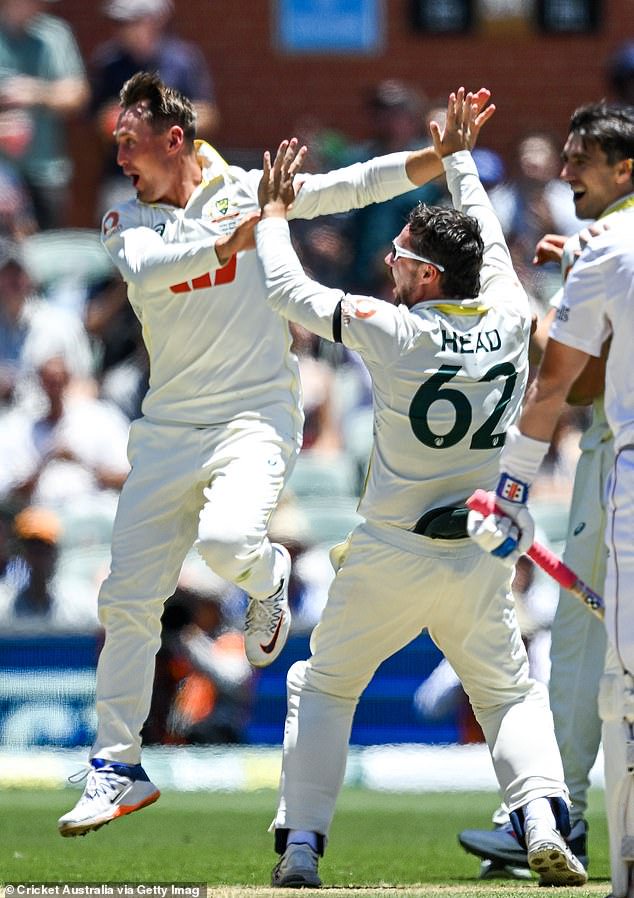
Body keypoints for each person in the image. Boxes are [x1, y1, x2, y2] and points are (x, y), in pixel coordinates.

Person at [56, 70, 486, 839]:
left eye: (129, 140)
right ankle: (116, 764)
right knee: (126, 601)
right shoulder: (125, 216)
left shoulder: (252, 187)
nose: (117, 153)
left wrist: (438, 156)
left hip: (253, 417)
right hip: (166, 427)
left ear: (173, 139)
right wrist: (230, 239)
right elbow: (149, 270)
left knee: (227, 542)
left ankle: (267, 577)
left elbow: (353, 185)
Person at [254, 89, 587, 888]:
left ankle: (301, 849)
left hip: (390, 548)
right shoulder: (511, 310)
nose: (388, 261)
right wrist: (462, 155)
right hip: (476, 550)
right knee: (508, 693)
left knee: (323, 685)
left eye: (400, 253)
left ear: (428, 272)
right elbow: (488, 237)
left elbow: (289, 294)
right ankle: (543, 820)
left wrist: (271, 216)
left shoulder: (394, 328)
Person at [467, 101, 634, 898]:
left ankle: (554, 811)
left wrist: (548, 314)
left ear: (624, 167)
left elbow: (576, 381)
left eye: (581, 159)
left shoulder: (603, 247)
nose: (566, 173)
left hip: (618, 459)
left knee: (585, 640)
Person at [89, 0, 219, 218]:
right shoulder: (108, 63)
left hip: (175, 180)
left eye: (131, 22)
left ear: (155, 21)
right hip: (124, 179)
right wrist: (117, 120)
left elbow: (208, 115)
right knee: (118, 248)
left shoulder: (183, 60)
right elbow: (97, 118)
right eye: (119, 23)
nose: (122, 29)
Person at [0, 0, 89, 230]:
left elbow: (77, 95)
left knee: (47, 250)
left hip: (46, 171)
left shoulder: (55, 33)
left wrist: (36, 92)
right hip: (2, 173)